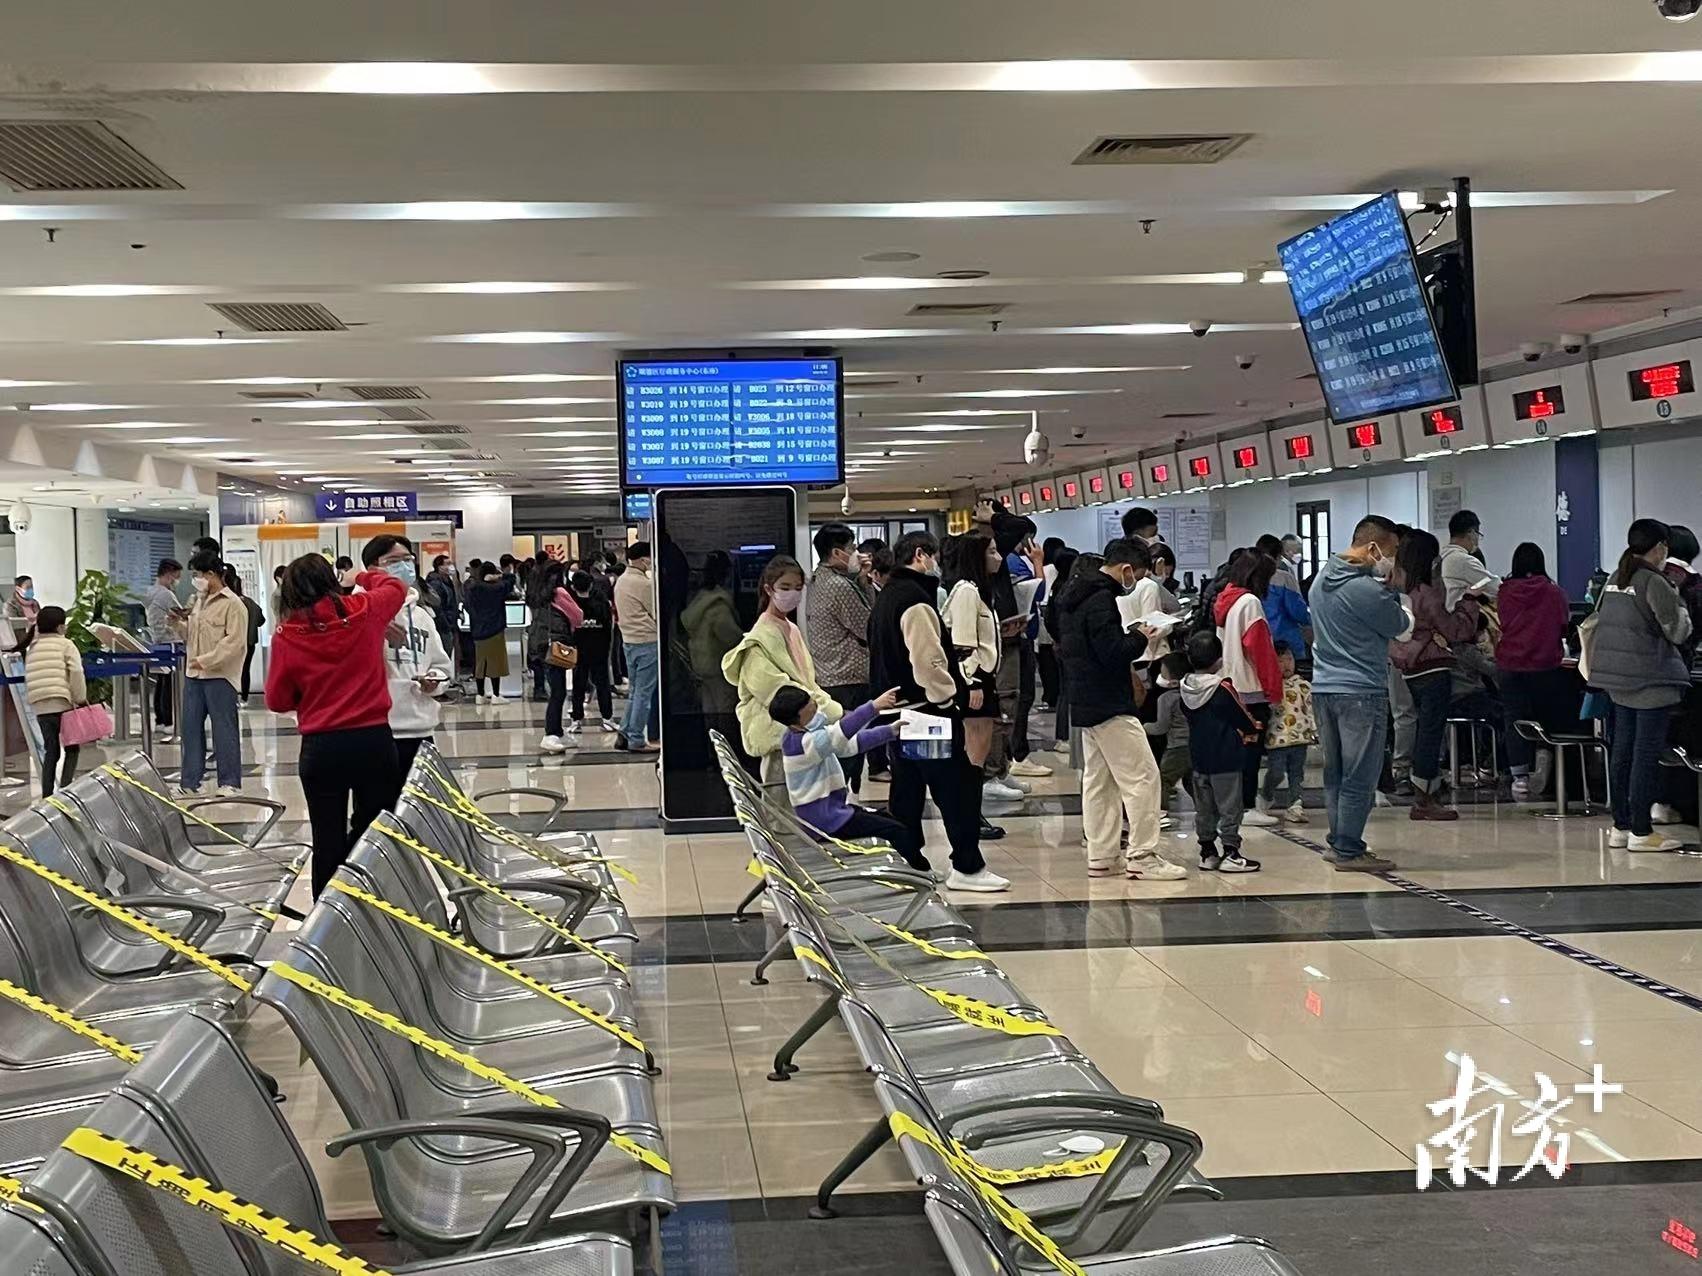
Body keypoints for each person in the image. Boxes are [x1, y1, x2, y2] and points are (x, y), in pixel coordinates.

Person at [868, 531, 1006, 892]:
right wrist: (948, 699)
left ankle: (909, 859)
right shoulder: (914, 600)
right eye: (933, 556)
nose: (938, 564)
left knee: (907, 790)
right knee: (955, 788)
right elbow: (927, 661)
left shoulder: (886, 597)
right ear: (920, 555)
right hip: (925, 714)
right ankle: (967, 866)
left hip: (899, 713)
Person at [266, 552, 407, 895]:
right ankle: (373, 905)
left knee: (326, 838)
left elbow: (277, 700)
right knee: (374, 832)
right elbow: (396, 586)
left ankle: (328, 925)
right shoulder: (366, 612)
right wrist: (360, 578)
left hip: (322, 748)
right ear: (331, 581)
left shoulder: (287, 635)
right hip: (373, 741)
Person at [1056, 538, 1184, 880]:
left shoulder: (1072, 597)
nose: (1135, 581)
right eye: (1138, 575)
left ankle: (1101, 854)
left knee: (1101, 781)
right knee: (1143, 776)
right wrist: (1143, 635)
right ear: (1126, 569)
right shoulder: (1101, 599)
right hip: (1109, 701)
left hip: (1084, 699)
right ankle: (1143, 855)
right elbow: (1113, 652)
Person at [1309, 516, 1412, 871]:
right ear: (1373, 548)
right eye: (1392, 551)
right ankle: (1349, 848)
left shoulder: (1321, 580)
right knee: (1360, 774)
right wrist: (1398, 594)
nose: (1392, 559)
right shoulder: (1368, 591)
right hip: (1361, 691)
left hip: (1323, 688)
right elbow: (1402, 629)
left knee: (1335, 772)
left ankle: (1338, 841)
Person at [1590, 518, 1693, 852]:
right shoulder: (1655, 582)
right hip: (1650, 679)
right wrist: (1679, 602)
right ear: (1661, 548)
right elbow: (1678, 632)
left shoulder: (1615, 578)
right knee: (1644, 757)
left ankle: (1621, 825)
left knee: (1622, 753)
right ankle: (1641, 831)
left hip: (1618, 679)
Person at [770, 683, 928, 871]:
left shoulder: (806, 736)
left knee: (889, 819)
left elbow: (850, 746)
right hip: (826, 819)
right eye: (811, 711)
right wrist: (873, 707)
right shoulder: (802, 744)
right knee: (896, 831)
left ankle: (911, 869)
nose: (817, 710)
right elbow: (839, 734)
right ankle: (921, 873)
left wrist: (890, 732)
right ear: (795, 720)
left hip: (832, 810)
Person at [1390, 529, 1482, 822]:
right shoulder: (1428, 594)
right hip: (1433, 667)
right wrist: (1469, 601)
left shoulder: (1399, 592)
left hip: (1408, 667)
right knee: (1431, 732)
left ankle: (1422, 790)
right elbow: (1456, 630)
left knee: (1417, 728)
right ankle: (1425, 798)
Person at [722, 555, 841, 777]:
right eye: (784, 587)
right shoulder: (757, 643)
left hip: (804, 732)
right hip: (779, 739)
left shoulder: (791, 629)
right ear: (769, 589)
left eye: (798, 588)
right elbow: (781, 694)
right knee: (782, 809)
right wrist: (833, 710)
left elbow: (807, 681)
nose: (792, 594)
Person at [362, 535, 450, 777]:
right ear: (373, 569)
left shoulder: (422, 617)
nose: (403, 566)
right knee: (377, 808)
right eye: (393, 561)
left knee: (419, 808)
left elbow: (442, 666)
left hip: (421, 729)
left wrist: (435, 680)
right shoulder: (359, 613)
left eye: (408, 559)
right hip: (375, 731)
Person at [1180, 631, 1263, 873]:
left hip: (1198, 757)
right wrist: (1253, 728)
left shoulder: (1185, 689)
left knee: (1204, 808)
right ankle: (1231, 853)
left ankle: (1207, 851)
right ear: (1219, 660)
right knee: (1230, 806)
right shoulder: (1222, 688)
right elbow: (1241, 715)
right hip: (1225, 757)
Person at [1496, 542, 1572, 801]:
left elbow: (1504, 623)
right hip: (1545, 666)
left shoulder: (1505, 592)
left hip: (1509, 665)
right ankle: (1548, 768)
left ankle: (1519, 778)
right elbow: (1564, 625)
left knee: (1514, 720)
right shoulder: (1555, 593)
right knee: (1551, 719)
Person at [1213, 550, 1284, 826]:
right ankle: (1247, 806)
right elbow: (1261, 651)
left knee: (1234, 751)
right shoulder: (1250, 602)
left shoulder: (1225, 599)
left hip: (1229, 684)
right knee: (1251, 753)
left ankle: (1232, 805)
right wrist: (1274, 689)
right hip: (1251, 689)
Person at [805, 524, 876, 791]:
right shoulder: (839, 586)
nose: (857, 553)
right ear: (837, 552)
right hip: (849, 674)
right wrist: (865, 585)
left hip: (829, 673)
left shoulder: (818, 580)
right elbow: (868, 626)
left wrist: (861, 580)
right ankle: (842, 803)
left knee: (838, 744)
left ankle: (841, 800)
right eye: (852, 548)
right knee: (850, 746)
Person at [176, 552, 248, 797]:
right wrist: (177, 624)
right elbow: (192, 636)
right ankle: (190, 781)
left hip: (220, 676)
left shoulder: (233, 604)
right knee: (190, 728)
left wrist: (205, 660)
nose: (196, 579)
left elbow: (235, 642)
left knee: (224, 729)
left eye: (197, 574)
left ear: (211, 574)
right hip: (194, 675)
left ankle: (230, 782)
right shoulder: (198, 601)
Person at [941, 531, 1004, 786]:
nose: (998, 558)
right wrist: (973, 682)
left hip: (984, 676)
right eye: (991, 552)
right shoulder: (966, 590)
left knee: (982, 745)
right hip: (973, 679)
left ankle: (972, 806)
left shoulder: (980, 590)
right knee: (975, 749)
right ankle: (970, 809)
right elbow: (962, 641)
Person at [21, 606, 86, 797]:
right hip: (62, 703)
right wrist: (80, 698)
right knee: (72, 748)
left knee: (51, 751)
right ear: (59, 627)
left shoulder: (33, 647)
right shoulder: (66, 644)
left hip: (40, 706)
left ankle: (47, 795)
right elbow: (76, 672)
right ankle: (66, 789)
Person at [1259, 641, 1316, 824]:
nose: (1286, 664)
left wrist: (1315, 729)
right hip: (1277, 739)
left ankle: (1295, 804)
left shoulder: (1303, 685)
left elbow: (1311, 708)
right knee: (1276, 771)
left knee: (1296, 773)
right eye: (1280, 660)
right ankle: (1267, 795)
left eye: (1289, 659)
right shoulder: (1268, 686)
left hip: (1300, 738)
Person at [533, 562, 585, 754]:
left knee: (557, 689)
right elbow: (578, 616)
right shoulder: (559, 593)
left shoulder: (537, 595)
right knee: (558, 692)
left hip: (541, 645)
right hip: (557, 645)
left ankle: (558, 731)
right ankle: (550, 735)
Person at [613, 541, 659, 751]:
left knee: (634, 691)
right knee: (644, 693)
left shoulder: (622, 580)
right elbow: (655, 611)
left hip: (629, 641)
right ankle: (636, 738)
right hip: (647, 641)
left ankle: (624, 732)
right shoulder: (644, 584)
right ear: (642, 559)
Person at [564, 569, 616, 734]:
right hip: (599, 649)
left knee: (578, 685)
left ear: (573, 586)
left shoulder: (571, 605)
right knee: (602, 684)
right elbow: (609, 627)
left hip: (578, 650)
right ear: (591, 584)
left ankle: (576, 719)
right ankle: (607, 718)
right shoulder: (602, 603)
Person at [1145, 652, 1193, 814]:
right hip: (1195, 744)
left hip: (1177, 747)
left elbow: (1161, 727)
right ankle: (1208, 810)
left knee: (1163, 779)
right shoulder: (1193, 694)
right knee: (1192, 780)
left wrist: (1143, 727)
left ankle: (1161, 811)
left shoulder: (1166, 699)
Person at [143, 558, 184, 741]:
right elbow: (181, 614)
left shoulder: (150, 592)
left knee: (160, 682)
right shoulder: (165, 594)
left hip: (156, 640)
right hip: (169, 641)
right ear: (169, 574)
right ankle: (168, 721)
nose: (177, 581)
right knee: (169, 683)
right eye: (176, 577)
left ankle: (160, 719)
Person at [464, 560, 514, 703]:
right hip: (494, 630)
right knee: (495, 663)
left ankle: (480, 695)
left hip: (477, 631)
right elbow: (510, 580)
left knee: (480, 663)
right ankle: (496, 695)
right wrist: (501, 576)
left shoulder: (472, 588)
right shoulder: (497, 588)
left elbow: (467, 605)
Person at [1258, 533, 1312, 658]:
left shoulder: (1250, 577)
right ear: (1279, 555)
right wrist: (1310, 621)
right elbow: (1297, 610)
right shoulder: (1284, 578)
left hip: (1261, 640)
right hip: (1286, 640)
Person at [221, 567, 265, 705]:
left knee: (230, 671)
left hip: (233, 641)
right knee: (245, 669)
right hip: (249, 642)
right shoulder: (250, 602)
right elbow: (261, 620)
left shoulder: (227, 602)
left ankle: (231, 697)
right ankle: (244, 698)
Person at [1441, 510, 1498, 609]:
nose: (1477, 539)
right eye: (1478, 534)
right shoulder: (1463, 561)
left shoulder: (1441, 557)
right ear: (1471, 532)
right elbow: (1493, 586)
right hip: (1458, 618)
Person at [424, 555, 461, 676]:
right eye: (447, 563)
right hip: (442, 625)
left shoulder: (448, 581)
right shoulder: (435, 583)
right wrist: (446, 623)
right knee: (443, 654)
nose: (450, 566)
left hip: (450, 622)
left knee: (449, 652)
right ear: (439, 567)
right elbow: (437, 606)